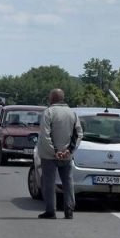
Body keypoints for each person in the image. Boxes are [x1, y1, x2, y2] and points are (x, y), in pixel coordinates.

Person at [37, 88, 83, 220]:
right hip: (67, 154)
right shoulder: (72, 113)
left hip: (49, 154)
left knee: (49, 183)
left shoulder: (49, 112)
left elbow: (45, 134)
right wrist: (69, 150)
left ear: (52, 99)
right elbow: (78, 133)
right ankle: (69, 210)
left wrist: (55, 151)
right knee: (68, 182)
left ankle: (51, 211)